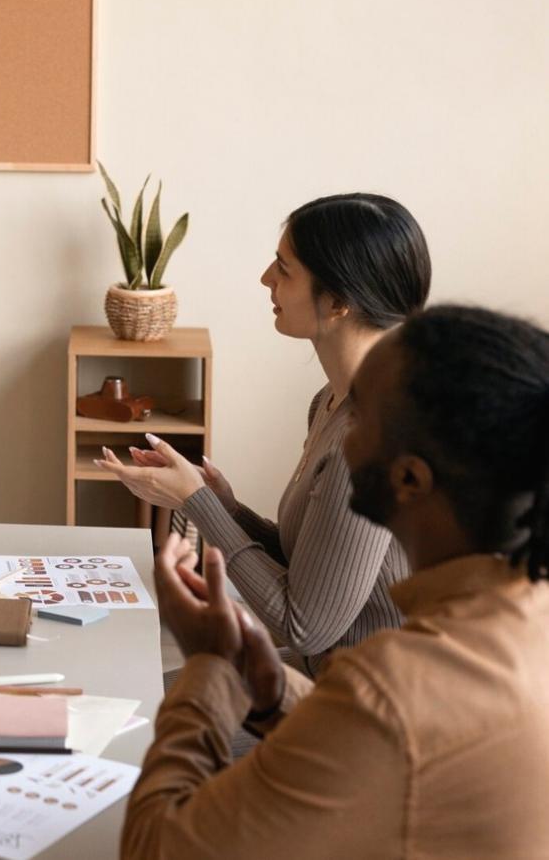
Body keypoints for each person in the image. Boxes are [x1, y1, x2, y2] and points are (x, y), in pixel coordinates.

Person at [122, 304, 549, 857]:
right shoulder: (522, 615)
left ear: (409, 478)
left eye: (361, 415)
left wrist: (208, 668)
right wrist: (270, 690)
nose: (342, 431)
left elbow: (155, 849)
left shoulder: (392, 689)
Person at [97, 193, 429, 671]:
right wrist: (225, 505)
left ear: (338, 301)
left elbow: (303, 624)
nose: (265, 278)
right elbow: (312, 568)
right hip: (327, 674)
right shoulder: (331, 404)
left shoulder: (370, 441)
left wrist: (199, 504)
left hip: (368, 711)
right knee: (137, 693)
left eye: (284, 268)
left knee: (144, 718)